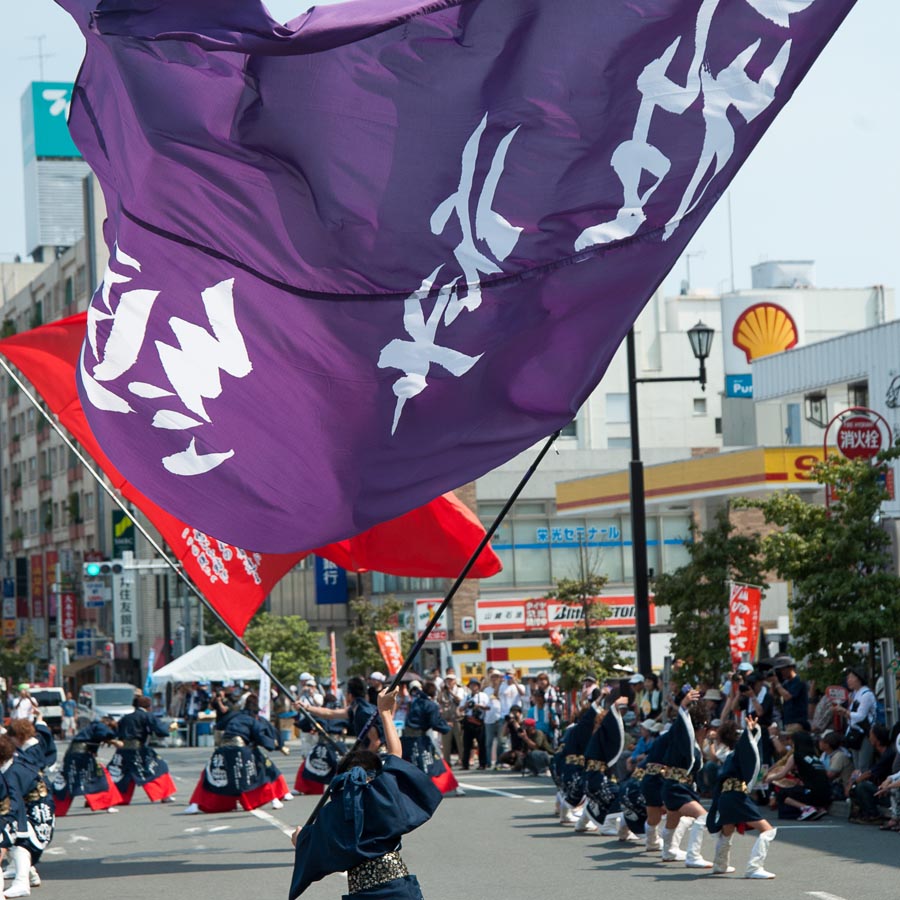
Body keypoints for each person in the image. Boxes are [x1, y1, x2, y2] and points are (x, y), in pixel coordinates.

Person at [289, 688, 442, 900]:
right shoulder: (382, 793)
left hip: (363, 894)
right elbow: (395, 756)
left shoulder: (332, 812)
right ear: (373, 774)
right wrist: (385, 713)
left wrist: (301, 840)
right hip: (400, 888)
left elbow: (314, 849)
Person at [183, 693, 285, 814]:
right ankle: (274, 799)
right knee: (259, 771)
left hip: (222, 749)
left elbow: (220, 724)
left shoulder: (234, 715)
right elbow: (261, 737)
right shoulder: (253, 720)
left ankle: (195, 804)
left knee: (210, 773)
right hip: (240, 749)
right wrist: (276, 745)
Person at [707, 717, 778, 878]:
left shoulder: (729, 756)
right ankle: (754, 867)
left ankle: (720, 864)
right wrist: (750, 731)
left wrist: (750, 732)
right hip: (736, 796)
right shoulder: (738, 751)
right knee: (767, 830)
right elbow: (748, 746)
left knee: (728, 830)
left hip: (726, 797)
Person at [660, 688, 712, 867]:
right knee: (704, 816)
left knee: (673, 819)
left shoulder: (694, 745)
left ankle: (668, 851)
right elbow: (681, 725)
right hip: (676, 787)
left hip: (681, 787)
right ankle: (693, 855)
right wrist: (683, 705)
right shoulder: (682, 735)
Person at [576, 696, 638, 841]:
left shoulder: (597, 736)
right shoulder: (601, 733)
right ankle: (608, 825)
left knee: (597, 798)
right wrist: (616, 705)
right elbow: (610, 721)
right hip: (594, 778)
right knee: (622, 794)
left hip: (590, 778)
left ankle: (581, 823)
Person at [4, 723, 56, 897]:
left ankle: (21, 881)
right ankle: (29, 875)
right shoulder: (14, 762)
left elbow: (13, 801)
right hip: (34, 800)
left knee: (19, 841)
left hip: (37, 804)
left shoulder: (13, 771)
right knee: (16, 841)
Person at [107, 695, 178, 805]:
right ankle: (164, 795)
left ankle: (116, 797)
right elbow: (160, 730)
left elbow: (117, 733)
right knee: (158, 767)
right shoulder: (146, 716)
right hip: (138, 750)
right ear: (148, 706)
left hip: (123, 750)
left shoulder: (125, 718)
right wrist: (169, 727)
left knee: (120, 774)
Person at [51, 716, 123, 815]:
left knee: (69, 780)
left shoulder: (91, 727)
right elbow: (103, 734)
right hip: (82, 756)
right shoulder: (99, 725)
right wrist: (113, 741)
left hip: (73, 755)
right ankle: (106, 804)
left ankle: (56, 808)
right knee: (99, 778)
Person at [400, 682, 458, 795]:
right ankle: (442, 786)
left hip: (407, 738)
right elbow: (434, 722)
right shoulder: (430, 705)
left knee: (410, 763)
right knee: (432, 763)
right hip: (419, 739)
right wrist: (446, 727)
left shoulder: (416, 701)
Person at [764, 729, 830, 820]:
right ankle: (818, 808)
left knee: (782, 793)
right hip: (826, 794)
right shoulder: (815, 757)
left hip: (812, 793)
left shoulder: (796, 755)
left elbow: (782, 774)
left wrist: (769, 778)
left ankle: (806, 808)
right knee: (798, 789)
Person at [554, 700, 597, 826]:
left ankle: (565, 813)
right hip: (570, 762)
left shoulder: (574, 727)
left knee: (566, 788)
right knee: (580, 787)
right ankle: (583, 819)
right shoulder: (581, 729)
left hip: (562, 761)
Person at [834, 668, 876, 771]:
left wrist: (844, 711)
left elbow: (861, 716)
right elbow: (851, 716)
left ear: (859, 678)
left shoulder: (867, 694)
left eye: (851, 677)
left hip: (865, 733)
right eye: (848, 678)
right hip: (854, 732)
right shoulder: (853, 694)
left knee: (863, 766)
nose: (849, 680)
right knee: (856, 766)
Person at [767, 657, 809, 732]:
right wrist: (773, 684)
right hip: (787, 721)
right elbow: (772, 696)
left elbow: (787, 697)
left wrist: (777, 683)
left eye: (783, 669)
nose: (781, 672)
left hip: (798, 721)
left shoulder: (799, 680)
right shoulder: (786, 683)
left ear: (791, 668)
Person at [458, 679, 489, 770]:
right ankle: (465, 764)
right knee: (467, 744)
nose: (473, 687)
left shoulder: (483, 696)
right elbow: (460, 709)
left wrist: (479, 706)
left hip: (479, 722)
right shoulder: (467, 697)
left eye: (475, 685)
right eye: (471, 685)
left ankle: (482, 764)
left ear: (478, 686)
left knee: (481, 744)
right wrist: (466, 706)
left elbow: (488, 707)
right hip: (468, 721)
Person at [436, 673, 464, 766]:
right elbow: (439, 700)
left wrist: (450, 692)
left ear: (455, 681)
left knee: (460, 741)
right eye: (447, 680)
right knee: (446, 743)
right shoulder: (444, 691)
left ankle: (463, 760)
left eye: (451, 680)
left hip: (457, 719)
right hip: (446, 719)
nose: (449, 682)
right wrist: (442, 690)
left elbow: (459, 700)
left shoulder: (459, 690)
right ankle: (447, 762)